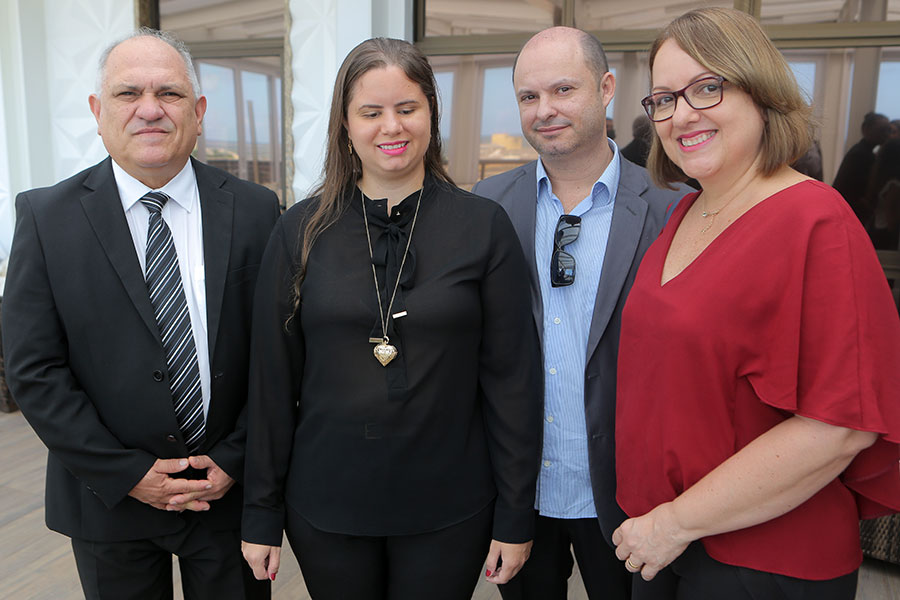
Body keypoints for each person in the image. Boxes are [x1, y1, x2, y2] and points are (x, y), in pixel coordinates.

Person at [613, 8, 900, 599]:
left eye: (707, 88)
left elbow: (839, 427)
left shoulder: (816, 220)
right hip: (663, 546)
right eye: (663, 99)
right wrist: (659, 527)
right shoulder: (687, 213)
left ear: (761, 90)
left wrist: (673, 523)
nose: (682, 114)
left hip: (761, 563)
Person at [240, 38, 542, 599]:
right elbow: (272, 384)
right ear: (346, 124)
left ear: (431, 111)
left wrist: (515, 512)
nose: (391, 127)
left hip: (451, 503)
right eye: (371, 112)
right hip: (328, 502)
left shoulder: (484, 227)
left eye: (407, 108)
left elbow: (512, 383)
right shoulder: (299, 231)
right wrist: (261, 512)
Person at [1, 29, 280, 600]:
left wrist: (235, 457)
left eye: (170, 94)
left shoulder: (257, 211)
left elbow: (278, 352)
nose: (149, 110)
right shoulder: (45, 217)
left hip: (225, 496)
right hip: (107, 503)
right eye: (129, 94)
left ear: (198, 112)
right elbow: (33, 369)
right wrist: (126, 474)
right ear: (98, 112)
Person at [471, 27, 690, 600]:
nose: (545, 111)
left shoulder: (673, 211)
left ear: (606, 88)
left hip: (626, 499)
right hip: (519, 493)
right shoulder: (486, 206)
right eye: (528, 97)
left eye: (563, 89)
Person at [833, 111, 891, 223]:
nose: (887, 134)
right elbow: (853, 189)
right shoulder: (861, 154)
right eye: (882, 130)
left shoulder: (862, 151)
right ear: (866, 129)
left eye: (888, 130)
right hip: (852, 212)